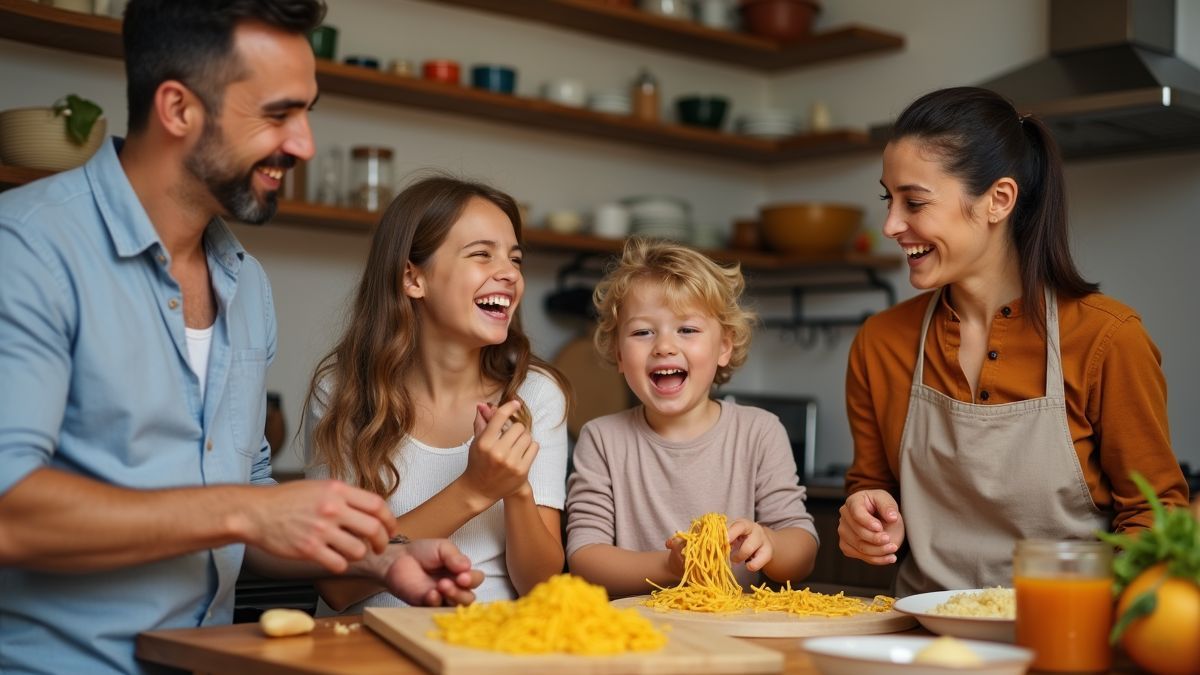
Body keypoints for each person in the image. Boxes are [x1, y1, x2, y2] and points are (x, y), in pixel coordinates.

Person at [0, 3, 481, 674]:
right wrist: (247, 510)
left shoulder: (244, 283)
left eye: (307, 112)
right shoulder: (27, 249)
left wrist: (382, 557)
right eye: (279, 114)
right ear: (177, 109)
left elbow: (253, 521)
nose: (305, 143)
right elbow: (10, 511)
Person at [839, 86, 1190, 596]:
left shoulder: (1107, 339)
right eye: (887, 199)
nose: (891, 225)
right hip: (924, 643)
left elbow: (1153, 518)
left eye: (913, 201)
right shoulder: (881, 341)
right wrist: (866, 518)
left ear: (998, 200)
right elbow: (870, 487)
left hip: (1063, 639)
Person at [304, 174, 573, 612]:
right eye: (482, 255)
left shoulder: (534, 395)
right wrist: (475, 488)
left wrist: (516, 488)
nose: (509, 273)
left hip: (486, 648)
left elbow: (542, 588)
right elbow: (336, 585)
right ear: (413, 278)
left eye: (515, 258)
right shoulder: (342, 392)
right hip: (361, 650)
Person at [566, 238, 819, 598]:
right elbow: (585, 558)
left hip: (738, 629)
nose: (664, 346)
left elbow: (802, 550)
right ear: (619, 354)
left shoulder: (759, 432)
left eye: (687, 329)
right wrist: (669, 567)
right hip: (639, 630)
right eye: (642, 332)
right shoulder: (602, 439)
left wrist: (772, 545)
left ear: (724, 347)